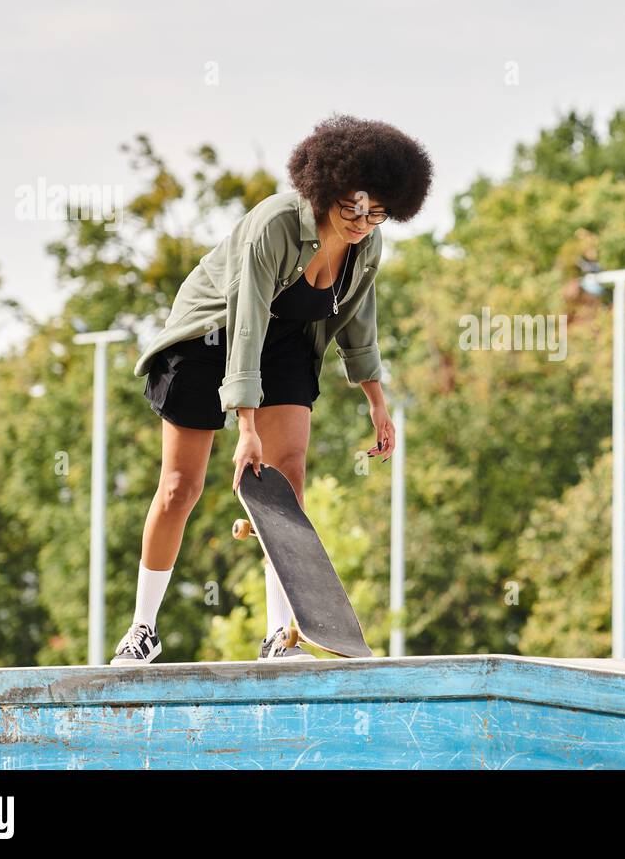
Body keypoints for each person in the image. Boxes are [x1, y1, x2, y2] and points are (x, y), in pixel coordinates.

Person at [110, 114, 433, 664]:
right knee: (180, 487)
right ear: (328, 187)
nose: (361, 221)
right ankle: (143, 628)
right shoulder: (274, 226)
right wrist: (246, 427)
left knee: (286, 484)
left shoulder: (368, 246)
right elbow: (245, 324)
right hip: (210, 333)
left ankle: (278, 638)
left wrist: (377, 403)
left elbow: (360, 322)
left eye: (377, 212)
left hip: (286, 342)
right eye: (352, 206)